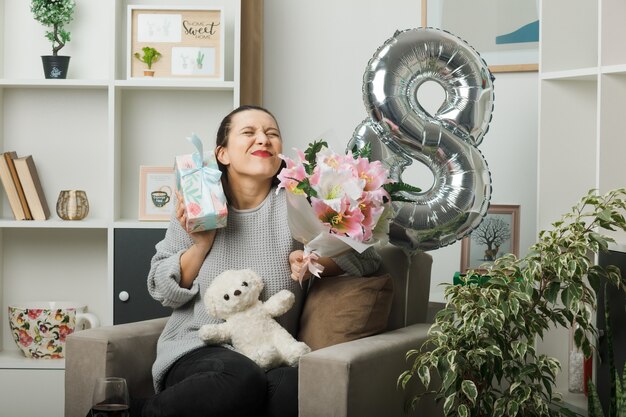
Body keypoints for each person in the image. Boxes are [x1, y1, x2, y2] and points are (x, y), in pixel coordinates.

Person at [139, 105, 381, 417]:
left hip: (270, 353)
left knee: (293, 388)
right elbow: (161, 290)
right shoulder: (200, 203)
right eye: (249, 133)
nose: (263, 140)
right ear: (223, 154)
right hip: (198, 350)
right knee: (240, 377)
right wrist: (200, 245)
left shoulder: (301, 201)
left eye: (272, 134)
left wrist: (316, 261)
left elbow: (369, 260)